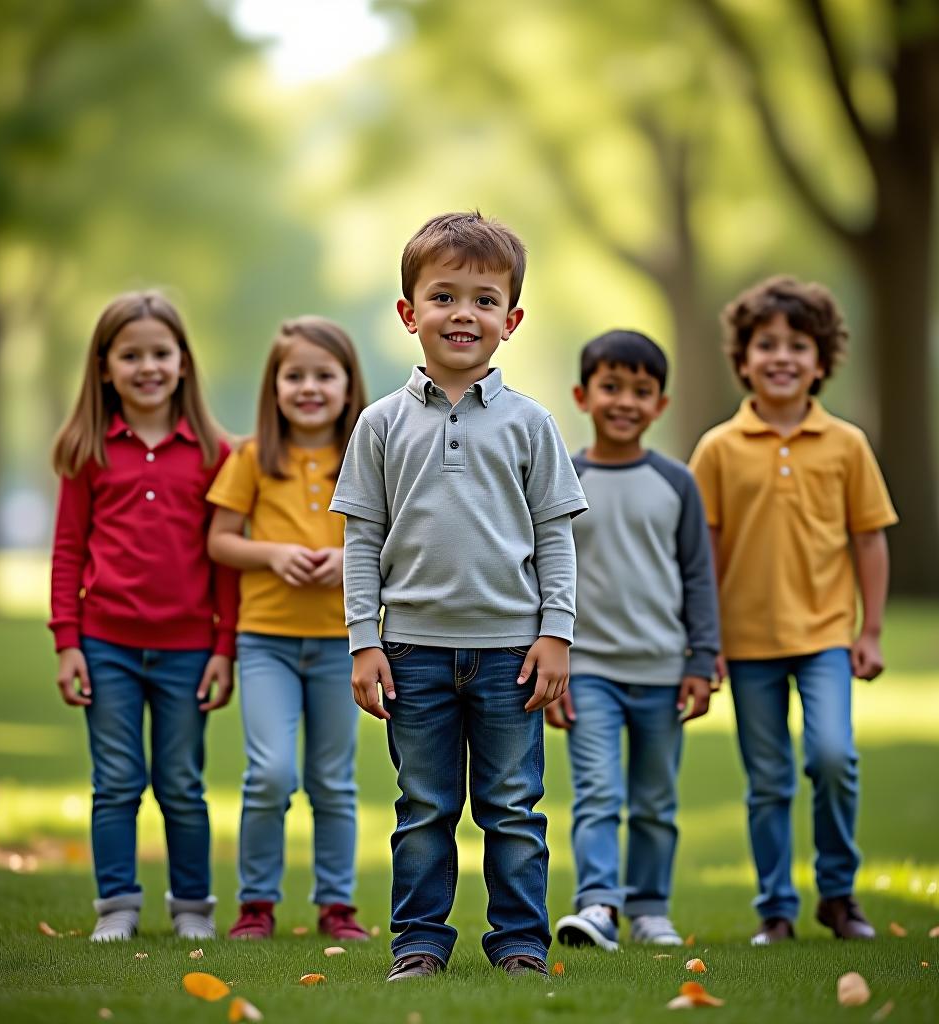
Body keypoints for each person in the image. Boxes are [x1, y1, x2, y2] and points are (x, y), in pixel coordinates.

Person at [330, 211, 588, 981]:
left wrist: (557, 633)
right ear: (409, 313)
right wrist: (364, 640)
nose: (462, 315)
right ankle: (418, 944)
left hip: (511, 650)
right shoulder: (379, 425)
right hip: (411, 650)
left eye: (483, 300)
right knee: (424, 810)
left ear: (510, 321)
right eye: (443, 297)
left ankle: (518, 945)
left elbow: (554, 539)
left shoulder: (531, 424)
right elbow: (361, 542)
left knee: (513, 809)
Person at [689, 276, 898, 945]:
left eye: (798, 345)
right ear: (743, 359)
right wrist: (706, 639)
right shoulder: (719, 447)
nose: (782, 357)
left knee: (833, 756)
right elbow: (705, 552)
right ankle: (775, 907)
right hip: (746, 642)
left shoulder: (846, 444)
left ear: (822, 359)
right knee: (768, 778)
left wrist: (869, 630)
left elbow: (869, 538)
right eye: (766, 344)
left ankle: (838, 895)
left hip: (826, 637)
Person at [49, 290, 237, 942]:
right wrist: (67, 643)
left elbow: (224, 564)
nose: (147, 367)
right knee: (116, 780)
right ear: (105, 367)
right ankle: (118, 907)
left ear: (184, 362)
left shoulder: (215, 452)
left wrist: (225, 648)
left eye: (161, 353)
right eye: (131, 355)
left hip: (189, 648)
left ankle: (192, 908)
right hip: (106, 644)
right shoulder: (87, 450)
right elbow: (68, 550)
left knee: (182, 782)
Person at [548, 330, 719, 951]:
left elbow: (699, 575)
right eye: (611, 387)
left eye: (641, 391)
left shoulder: (677, 483)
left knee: (654, 799)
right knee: (598, 793)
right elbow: (540, 573)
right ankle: (597, 906)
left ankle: (649, 906)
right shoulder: (559, 478)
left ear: (660, 405)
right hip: (587, 668)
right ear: (582, 395)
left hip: (663, 671)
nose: (625, 401)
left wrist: (701, 659)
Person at [207, 316, 370, 942]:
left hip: (342, 642)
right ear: (273, 385)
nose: (309, 387)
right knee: (270, 772)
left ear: (347, 384)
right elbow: (220, 541)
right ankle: (256, 904)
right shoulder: (253, 458)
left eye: (324, 375)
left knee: (333, 777)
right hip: (267, 640)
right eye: (294, 375)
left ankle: (337, 905)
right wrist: (273, 554)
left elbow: (388, 542)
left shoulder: (367, 454)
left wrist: (345, 562)